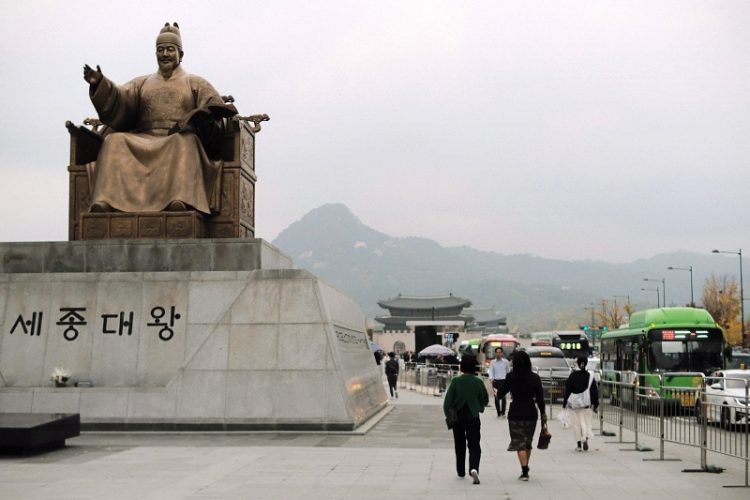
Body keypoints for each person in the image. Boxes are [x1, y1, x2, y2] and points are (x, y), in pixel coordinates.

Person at [82, 22, 237, 214]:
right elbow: (121, 99)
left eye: (170, 50)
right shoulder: (142, 82)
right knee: (114, 141)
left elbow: (215, 110)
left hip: (179, 137)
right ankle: (106, 201)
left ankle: (180, 199)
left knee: (184, 142)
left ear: (180, 54)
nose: (165, 54)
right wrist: (101, 85)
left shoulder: (196, 82)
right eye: (160, 50)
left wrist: (205, 118)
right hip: (144, 136)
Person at [498, 350, 547, 481]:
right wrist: (543, 416)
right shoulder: (535, 378)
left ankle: (524, 470)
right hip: (531, 412)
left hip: (515, 413)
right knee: (527, 442)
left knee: (519, 442)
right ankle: (525, 467)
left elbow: (500, 394)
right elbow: (541, 399)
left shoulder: (511, 377)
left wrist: (496, 389)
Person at [443, 354, 489, 485]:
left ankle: (461, 470)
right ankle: (474, 468)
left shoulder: (456, 381)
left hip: (457, 416)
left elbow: (448, 403)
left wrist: (449, 417)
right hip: (473, 415)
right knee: (474, 443)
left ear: (462, 367)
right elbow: (484, 400)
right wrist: (479, 407)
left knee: (459, 444)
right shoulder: (478, 382)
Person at [563, 355, 599, 451]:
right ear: (586, 363)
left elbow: (567, 390)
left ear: (578, 364)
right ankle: (585, 438)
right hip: (586, 404)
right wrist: (596, 404)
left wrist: (564, 402)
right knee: (586, 422)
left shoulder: (572, 375)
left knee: (576, 424)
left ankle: (579, 445)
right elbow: (594, 392)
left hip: (574, 405)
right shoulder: (590, 376)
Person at [488, 347, 510, 417]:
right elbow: (490, 371)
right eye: (497, 352)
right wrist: (491, 378)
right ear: (495, 353)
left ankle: (503, 413)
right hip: (495, 381)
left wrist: (507, 380)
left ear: (502, 353)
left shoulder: (506, 362)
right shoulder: (492, 362)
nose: (498, 354)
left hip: (503, 381)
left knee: (503, 397)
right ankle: (498, 412)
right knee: (496, 397)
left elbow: (507, 371)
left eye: (500, 352)